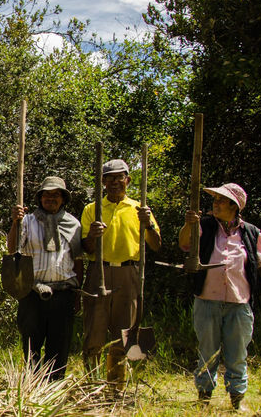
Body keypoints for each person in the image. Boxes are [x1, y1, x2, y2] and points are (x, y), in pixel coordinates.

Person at [177, 183, 261, 410]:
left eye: (222, 200)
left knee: (237, 354)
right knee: (207, 352)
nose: (216, 203)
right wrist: (188, 224)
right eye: (216, 199)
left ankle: (236, 400)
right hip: (207, 300)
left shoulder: (251, 232)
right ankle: (203, 399)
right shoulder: (205, 226)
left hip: (239, 303)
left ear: (235, 206)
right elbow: (184, 243)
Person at [81, 159, 160, 388]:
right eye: (109, 178)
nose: (115, 182)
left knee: (123, 330)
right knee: (94, 329)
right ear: (103, 182)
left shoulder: (140, 209)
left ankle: (116, 386)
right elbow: (86, 248)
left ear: (128, 179)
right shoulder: (92, 209)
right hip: (99, 270)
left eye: (119, 177)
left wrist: (149, 225)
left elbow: (155, 245)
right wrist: (93, 236)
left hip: (129, 273)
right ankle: (92, 384)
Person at [7, 176, 84, 380]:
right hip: (32, 293)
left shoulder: (73, 224)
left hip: (63, 293)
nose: (51, 198)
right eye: (47, 195)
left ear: (63, 199)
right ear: (40, 198)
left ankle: (54, 386)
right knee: (31, 343)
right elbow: (12, 248)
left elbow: (78, 261)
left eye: (56, 195)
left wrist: (77, 294)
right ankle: (33, 384)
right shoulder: (27, 221)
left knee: (59, 344)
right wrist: (15, 223)